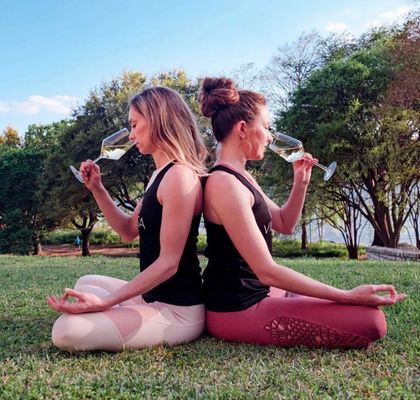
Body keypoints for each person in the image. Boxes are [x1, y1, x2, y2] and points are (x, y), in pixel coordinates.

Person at [198, 77, 407, 349]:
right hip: (236, 308)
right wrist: (346, 295)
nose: (271, 136)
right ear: (242, 129)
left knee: (360, 313)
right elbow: (266, 271)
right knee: (372, 323)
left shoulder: (242, 177)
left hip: (259, 294)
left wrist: (301, 183)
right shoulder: (224, 183)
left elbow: (284, 223)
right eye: (266, 127)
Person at [47, 86, 207, 352]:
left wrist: (106, 303)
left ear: (158, 120)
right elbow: (127, 231)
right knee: (85, 282)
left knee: (66, 331)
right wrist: (97, 188)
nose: (131, 135)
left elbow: (168, 264)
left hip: (178, 311)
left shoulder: (180, 176)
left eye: (134, 124)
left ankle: (113, 312)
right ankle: (119, 311)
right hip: (151, 298)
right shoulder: (159, 175)